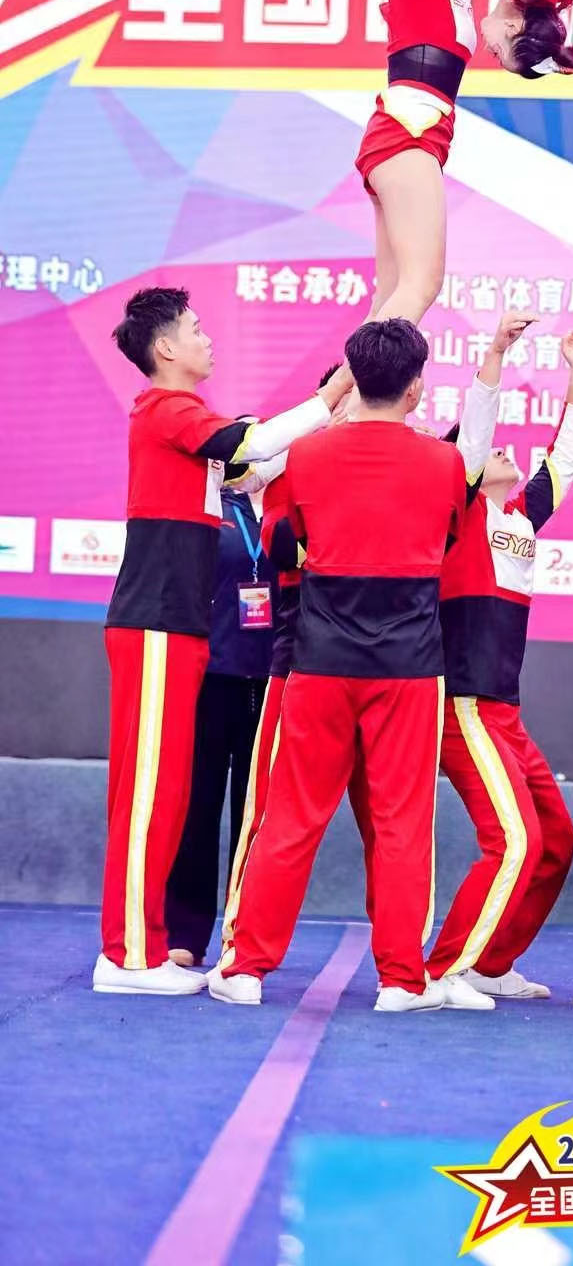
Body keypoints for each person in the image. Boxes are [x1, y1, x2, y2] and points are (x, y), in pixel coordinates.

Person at [94, 287, 350, 998]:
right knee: (147, 794)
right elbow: (254, 444)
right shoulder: (165, 408)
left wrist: (338, 410)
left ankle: (145, 947)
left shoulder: (188, 428)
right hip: (153, 624)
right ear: (165, 348)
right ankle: (125, 955)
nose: (208, 339)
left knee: (169, 792)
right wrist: (332, 392)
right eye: (196, 328)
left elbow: (259, 467)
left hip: (181, 629)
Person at [210, 320, 466, 1011]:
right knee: (402, 824)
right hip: (408, 666)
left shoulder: (307, 456)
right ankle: (401, 980)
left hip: (320, 661)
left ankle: (245, 969)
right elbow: (447, 537)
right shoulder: (444, 463)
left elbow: (284, 541)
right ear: (416, 388)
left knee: (291, 817)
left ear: (352, 378)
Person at [423, 320, 573, 1007]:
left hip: (505, 713)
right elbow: (474, 431)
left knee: (557, 840)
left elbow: (566, 460)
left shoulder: (519, 517)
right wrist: (494, 353)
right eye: (487, 451)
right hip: (463, 705)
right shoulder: (460, 511)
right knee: (514, 839)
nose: (502, 451)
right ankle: (443, 969)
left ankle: (491, 964)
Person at [219, 364, 346, 955]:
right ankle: (239, 942)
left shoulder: (396, 463)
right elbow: (279, 543)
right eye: (343, 403)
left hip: (381, 667)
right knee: (268, 808)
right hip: (295, 665)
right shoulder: (295, 470)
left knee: (392, 824)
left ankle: (403, 968)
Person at [352, 0, 509, 327]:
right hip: (408, 132)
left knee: (391, 296)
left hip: (417, 136)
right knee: (421, 284)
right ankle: (361, 377)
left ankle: (347, 380)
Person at [165, 472, 281, 968]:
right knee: (199, 807)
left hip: (272, 676)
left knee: (256, 815)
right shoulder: (214, 504)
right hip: (211, 674)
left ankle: (244, 934)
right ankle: (185, 931)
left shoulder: (291, 505)